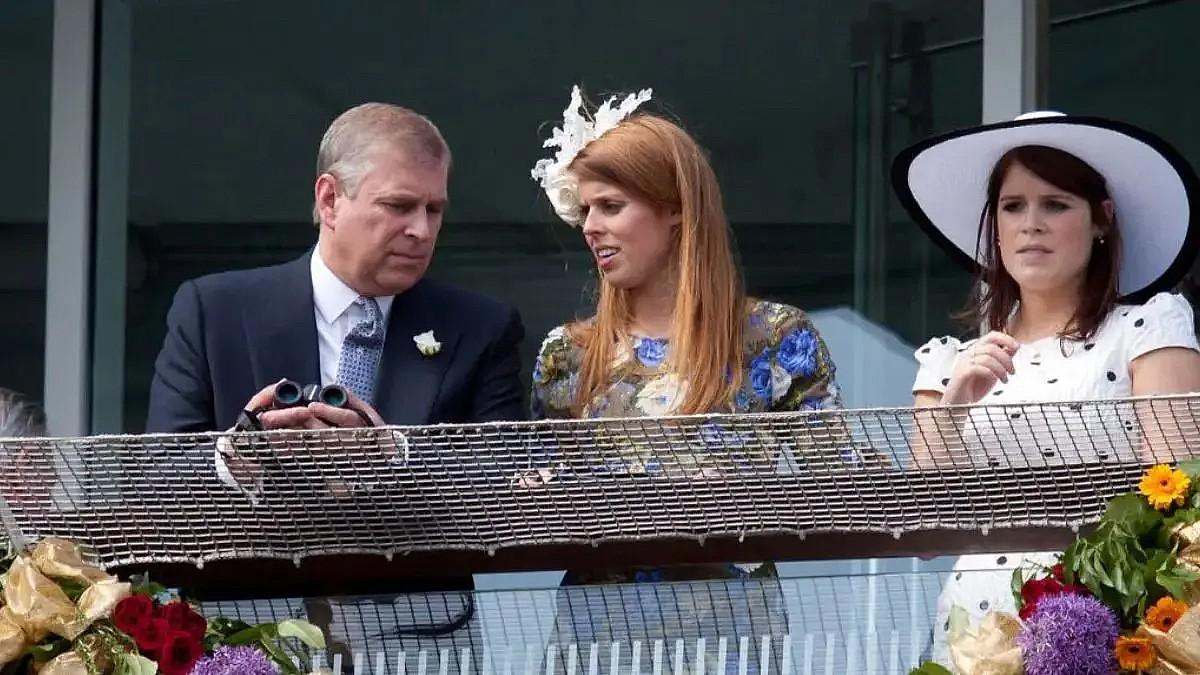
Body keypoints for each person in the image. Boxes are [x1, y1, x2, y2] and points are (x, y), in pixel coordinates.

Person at [144, 102, 527, 663]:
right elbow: (156, 479)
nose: (421, 230)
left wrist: (391, 456)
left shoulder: (481, 326)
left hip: (421, 642)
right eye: (399, 205)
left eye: (434, 209)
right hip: (247, 638)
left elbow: (505, 481)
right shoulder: (214, 310)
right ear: (330, 199)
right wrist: (236, 462)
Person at [526, 86, 847, 671]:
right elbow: (542, 509)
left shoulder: (774, 337)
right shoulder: (566, 354)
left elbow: (850, 496)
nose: (590, 227)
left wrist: (940, 405)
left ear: (676, 206)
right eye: (585, 209)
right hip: (600, 639)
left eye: (611, 206)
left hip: (730, 635)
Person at [893, 111, 1200, 664]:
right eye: (1013, 206)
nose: (1030, 223)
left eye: (1055, 204)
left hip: (1109, 626)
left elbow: (1181, 510)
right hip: (971, 634)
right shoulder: (947, 361)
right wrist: (957, 400)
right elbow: (924, 536)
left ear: (1101, 218)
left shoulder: (1146, 329)